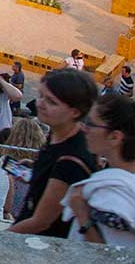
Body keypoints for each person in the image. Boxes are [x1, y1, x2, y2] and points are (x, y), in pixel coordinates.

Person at [64, 93, 135, 257]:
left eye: (90, 124)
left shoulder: (114, 202)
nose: (84, 128)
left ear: (115, 137)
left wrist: (82, 214)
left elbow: (110, 258)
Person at [10, 68, 98, 237]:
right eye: (41, 95)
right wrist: (37, 167)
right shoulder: (59, 132)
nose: (40, 103)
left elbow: (41, 221)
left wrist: (0, 238)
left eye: (51, 101)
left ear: (75, 112)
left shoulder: (70, 161)